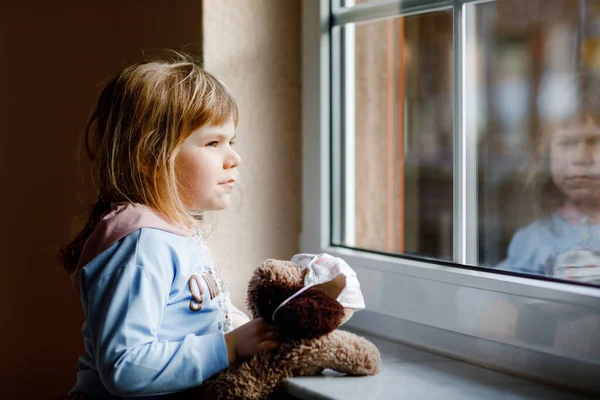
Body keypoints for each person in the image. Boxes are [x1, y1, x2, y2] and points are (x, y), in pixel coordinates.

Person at [57, 53, 281, 399]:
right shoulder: (140, 243)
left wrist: (256, 331)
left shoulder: (173, 232)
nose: (234, 157)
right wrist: (229, 348)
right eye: (213, 143)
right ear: (150, 158)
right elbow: (125, 366)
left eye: (231, 141)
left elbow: (206, 315)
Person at [496, 71, 600, 285]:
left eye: (594, 141)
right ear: (546, 154)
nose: (581, 157)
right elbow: (494, 295)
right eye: (568, 142)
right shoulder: (534, 240)